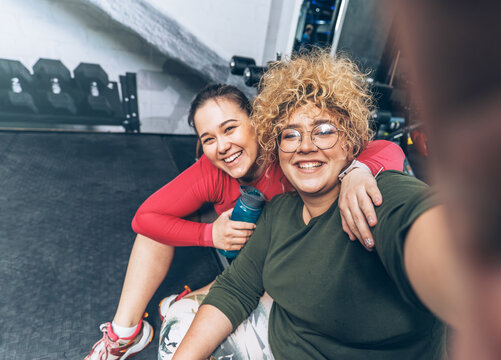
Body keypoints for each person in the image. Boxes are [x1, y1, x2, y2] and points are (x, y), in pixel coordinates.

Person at [163, 50, 464, 360]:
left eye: (323, 131)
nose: (305, 146)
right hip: (282, 340)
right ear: (277, 148)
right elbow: (236, 288)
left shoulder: (377, 198)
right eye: (290, 135)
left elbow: (428, 227)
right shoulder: (279, 212)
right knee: (178, 325)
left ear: (350, 142)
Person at [84, 81, 405, 358]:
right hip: (241, 264)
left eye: (230, 128)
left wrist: (357, 171)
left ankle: (184, 303)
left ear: (257, 121)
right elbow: (144, 219)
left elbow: (387, 148)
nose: (222, 146)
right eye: (209, 139)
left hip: (286, 268)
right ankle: (124, 334)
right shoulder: (211, 169)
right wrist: (210, 234)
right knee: (156, 237)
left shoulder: (292, 154)